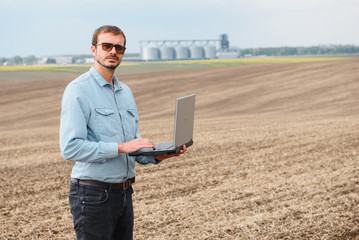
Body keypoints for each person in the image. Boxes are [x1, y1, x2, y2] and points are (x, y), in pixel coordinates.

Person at [59, 25, 187, 240]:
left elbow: (132, 145)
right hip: (92, 195)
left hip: (124, 193)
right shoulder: (78, 90)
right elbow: (71, 147)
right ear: (93, 50)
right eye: (107, 46)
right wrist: (120, 147)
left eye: (119, 47)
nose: (113, 51)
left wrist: (157, 155)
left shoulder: (125, 92)